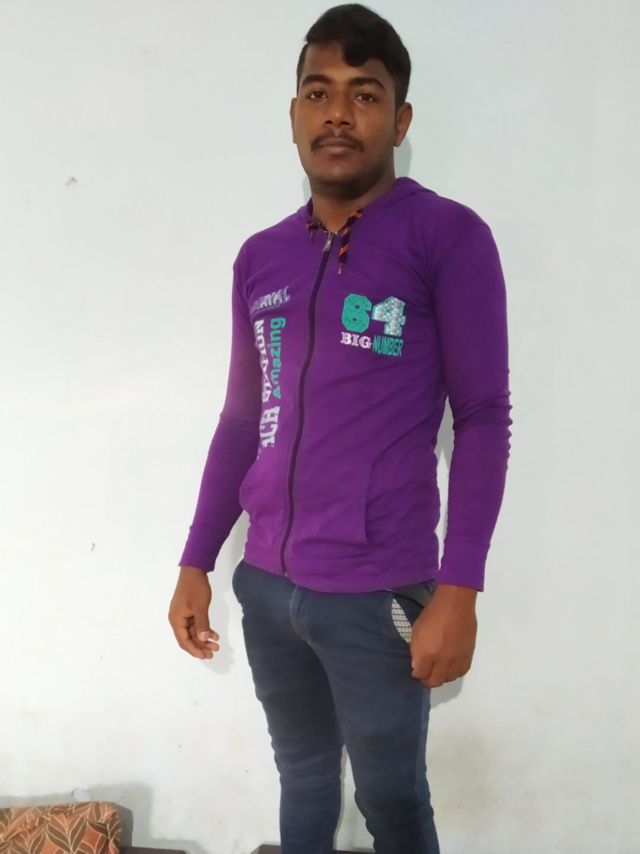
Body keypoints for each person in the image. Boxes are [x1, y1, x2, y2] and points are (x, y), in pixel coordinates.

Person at [168, 4, 513, 853]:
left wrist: (460, 588)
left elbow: (481, 418)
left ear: (399, 118)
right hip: (267, 588)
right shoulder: (261, 259)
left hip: (376, 590)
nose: (338, 114)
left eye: (365, 94)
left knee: (392, 801)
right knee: (304, 779)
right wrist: (196, 560)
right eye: (319, 93)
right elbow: (242, 420)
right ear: (294, 114)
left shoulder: (447, 237)